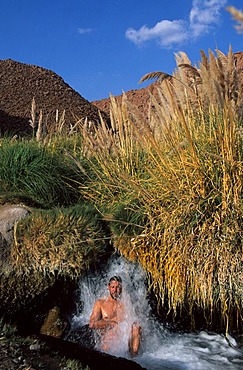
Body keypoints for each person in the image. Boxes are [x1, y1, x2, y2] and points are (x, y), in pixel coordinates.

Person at [89, 275, 141, 356]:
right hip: (107, 341)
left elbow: (134, 321)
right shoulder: (100, 303)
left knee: (136, 327)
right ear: (108, 287)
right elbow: (92, 324)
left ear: (122, 288)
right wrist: (110, 323)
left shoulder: (127, 304)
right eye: (113, 287)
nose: (115, 290)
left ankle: (134, 358)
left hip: (124, 342)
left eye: (118, 287)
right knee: (113, 332)